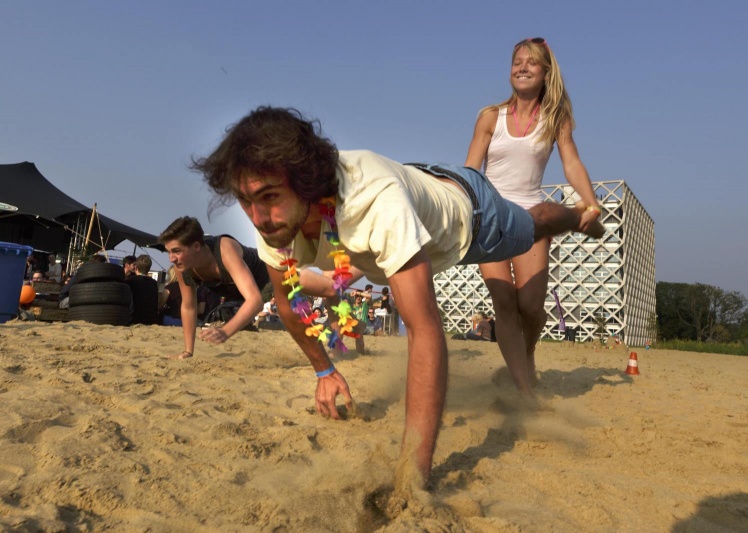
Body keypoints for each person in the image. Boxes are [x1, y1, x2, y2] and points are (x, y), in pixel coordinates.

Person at [190, 106, 603, 488]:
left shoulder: (376, 203)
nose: (258, 218)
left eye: (269, 197)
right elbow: (287, 302)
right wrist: (323, 371)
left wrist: (413, 472)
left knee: (534, 224)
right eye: (245, 201)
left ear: (306, 181)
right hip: (419, 184)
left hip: (473, 215)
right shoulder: (275, 226)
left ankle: (582, 216)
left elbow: (424, 330)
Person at [465, 37, 602, 394]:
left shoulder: (556, 118)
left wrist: (590, 203)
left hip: (531, 220)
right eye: (517, 61)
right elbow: (470, 172)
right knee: (505, 304)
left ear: (545, 72)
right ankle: (523, 391)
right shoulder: (489, 117)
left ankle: (527, 353)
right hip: (491, 220)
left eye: (531, 62)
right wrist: (465, 215)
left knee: (530, 306)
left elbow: (570, 162)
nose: (522, 67)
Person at [158, 216, 271, 359]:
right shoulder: (182, 266)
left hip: (269, 270)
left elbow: (256, 301)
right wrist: (188, 351)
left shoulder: (224, 249)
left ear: (196, 246)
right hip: (236, 292)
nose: (171, 258)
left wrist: (225, 331)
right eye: (169, 252)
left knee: (303, 284)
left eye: (176, 251)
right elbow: (189, 306)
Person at [125, 255, 159, 325]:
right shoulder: (154, 283)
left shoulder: (130, 280)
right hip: (151, 319)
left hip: (135, 318)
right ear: (149, 269)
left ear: (136, 268)